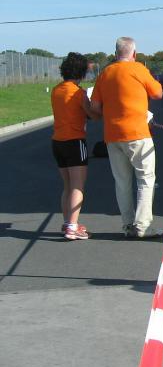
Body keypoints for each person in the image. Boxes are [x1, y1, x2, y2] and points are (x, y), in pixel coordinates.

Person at [90, 37, 163, 238]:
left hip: (112, 136)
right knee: (146, 179)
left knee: (122, 181)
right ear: (134, 54)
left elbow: (95, 106)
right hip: (138, 134)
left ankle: (128, 225)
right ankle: (143, 226)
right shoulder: (139, 69)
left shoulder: (105, 73)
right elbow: (158, 93)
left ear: (115, 54)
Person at [51, 52, 100, 240]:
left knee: (67, 186)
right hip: (75, 141)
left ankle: (68, 222)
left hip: (58, 141)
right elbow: (93, 115)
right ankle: (72, 227)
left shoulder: (56, 90)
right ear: (81, 72)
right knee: (77, 187)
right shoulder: (79, 93)